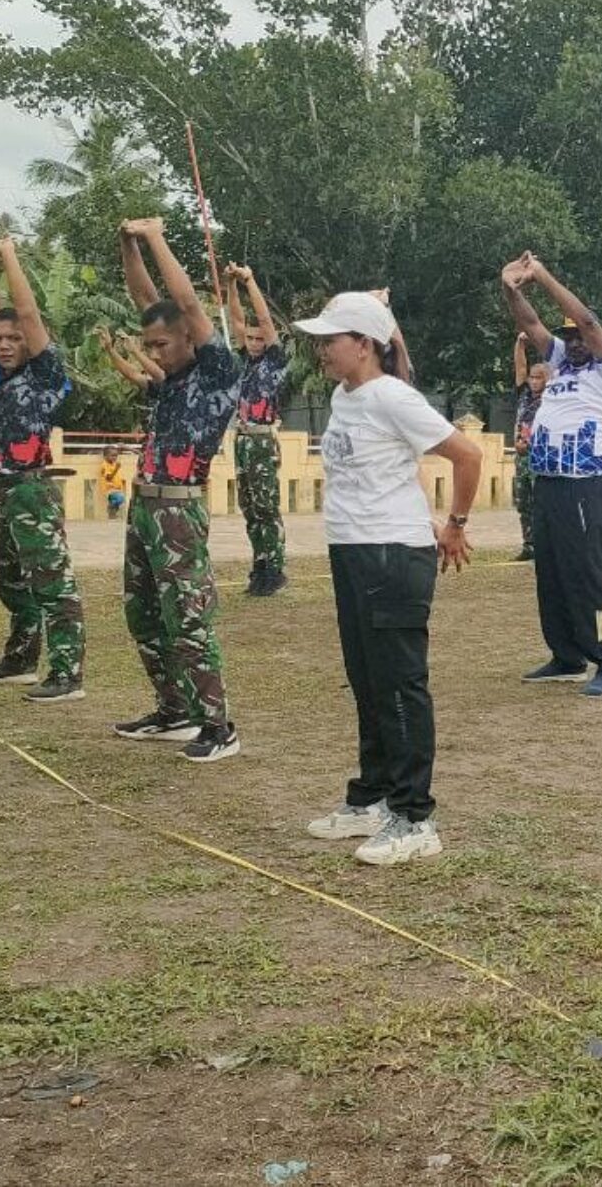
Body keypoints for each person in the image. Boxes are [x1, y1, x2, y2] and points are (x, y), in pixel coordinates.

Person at [296, 291, 481, 865]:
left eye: (331, 340)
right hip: (352, 551)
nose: (322, 350)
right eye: (320, 340)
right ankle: (372, 798)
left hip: (391, 557)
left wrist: (454, 525)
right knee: (367, 680)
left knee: (399, 685)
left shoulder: (393, 398)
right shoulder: (344, 394)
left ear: (363, 346)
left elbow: (468, 455)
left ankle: (415, 817)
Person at [104, 217, 240, 758]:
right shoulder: (171, 379)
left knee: (187, 618)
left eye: (162, 344)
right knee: (143, 613)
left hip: (180, 512)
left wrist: (155, 236)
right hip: (144, 506)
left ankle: (217, 725)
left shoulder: (216, 372)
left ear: (190, 334)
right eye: (148, 346)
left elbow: (182, 299)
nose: (153, 354)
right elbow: (145, 296)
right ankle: (174, 710)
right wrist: (127, 244)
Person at [501, 254, 602, 699]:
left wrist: (542, 276)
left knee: (587, 573)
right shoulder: (559, 364)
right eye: (568, 337)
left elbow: (589, 320)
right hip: (549, 480)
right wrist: (512, 289)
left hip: (583, 482)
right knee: (551, 571)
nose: (573, 341)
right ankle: (567, 656)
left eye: (578, 337)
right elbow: (533, 325)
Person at [0, 235, 86, 700]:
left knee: (52, 582)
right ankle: (20, 658)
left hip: (31, 488)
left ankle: (66, 672)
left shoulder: (45, 373)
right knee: (11, 579)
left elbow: (26, 314)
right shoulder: (9, 376)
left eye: (15, 339)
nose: (5, 344)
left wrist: (8, 253)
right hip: (2, 488)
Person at [221, 263, 289, 597]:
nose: (254, 341)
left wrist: (250, 281)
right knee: (249, 508)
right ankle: (260, 564)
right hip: (242, 439)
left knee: (266, 506)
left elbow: (264, 321)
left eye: (259, 338)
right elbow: (237, 320)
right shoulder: (243, 360)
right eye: (250, 338)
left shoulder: (273, 360)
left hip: (262, 439)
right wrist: (230, 284)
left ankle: (274, 568)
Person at [509, 332, 546, 562]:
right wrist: (520, 344)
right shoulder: (525, 395)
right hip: (522, 456)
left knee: (542, 502)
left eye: (538, 378)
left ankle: (544, 545)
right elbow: (519, 368)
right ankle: (529, 544)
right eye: (532, 377)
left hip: (540, 456)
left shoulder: (552, 397)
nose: (533, 381)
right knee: (523, 501)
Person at [100, 446, 128, 520]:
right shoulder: (104, 465)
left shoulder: (114, 464)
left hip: (117, 488)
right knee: (120, 499)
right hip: (109, 489)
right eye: (112, 455)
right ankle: (111, 510)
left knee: (119, 500)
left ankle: (112, 514)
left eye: (116, 456)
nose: (114, 458)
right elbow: (109, 478)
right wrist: (116, 469)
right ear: (105, 456)